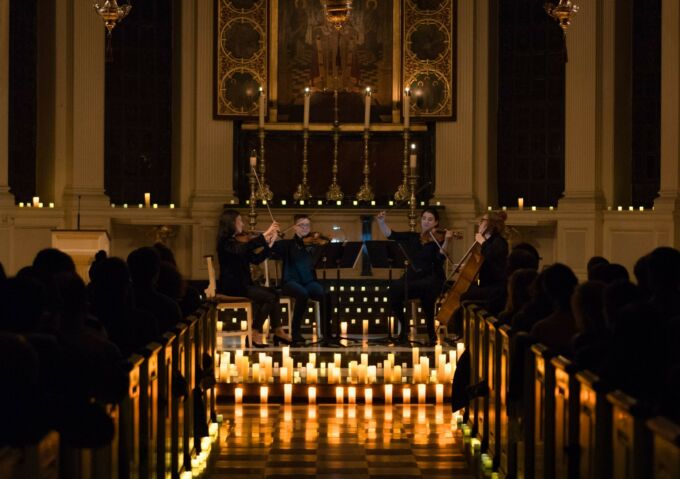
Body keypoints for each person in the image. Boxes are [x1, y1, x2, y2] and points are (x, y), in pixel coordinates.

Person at [376, 207, 454, 346]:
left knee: (427, 294)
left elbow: (440, 258)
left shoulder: (439, 239)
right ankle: (404, 328)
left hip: (432, 276)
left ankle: (431, 332)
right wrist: (381, 222)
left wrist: (447, 241)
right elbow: (391, 235)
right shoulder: (413, 237)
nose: (426, 222)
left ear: (436, 222)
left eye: (430, 219)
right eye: (424, 218)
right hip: (413, 276)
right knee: (393, 290)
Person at [216, 209, 291, 347]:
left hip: (243, 285)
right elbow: (241, 249)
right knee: (270, 297)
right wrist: (266, 234)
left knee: (275, 293)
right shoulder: (225, 243)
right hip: (232, 287)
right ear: (231, 223)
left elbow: (256, 259)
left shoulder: (238, 243)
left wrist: (271, 243)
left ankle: (277, 330)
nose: (242, 224)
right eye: (239, 221)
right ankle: (256, 331)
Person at [271, 214, 332, 346]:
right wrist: (275, 236)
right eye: (301, 225)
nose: (305, 228)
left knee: (325, 294)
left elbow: (325, 252)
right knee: (302, 293)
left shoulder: (313, 244)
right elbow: (271, 248)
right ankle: (296, 332)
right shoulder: (287, 244)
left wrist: (325, 244)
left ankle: (328, 334)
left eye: (307, 225)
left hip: (309, 282)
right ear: (294, 227)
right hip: (290, 281)